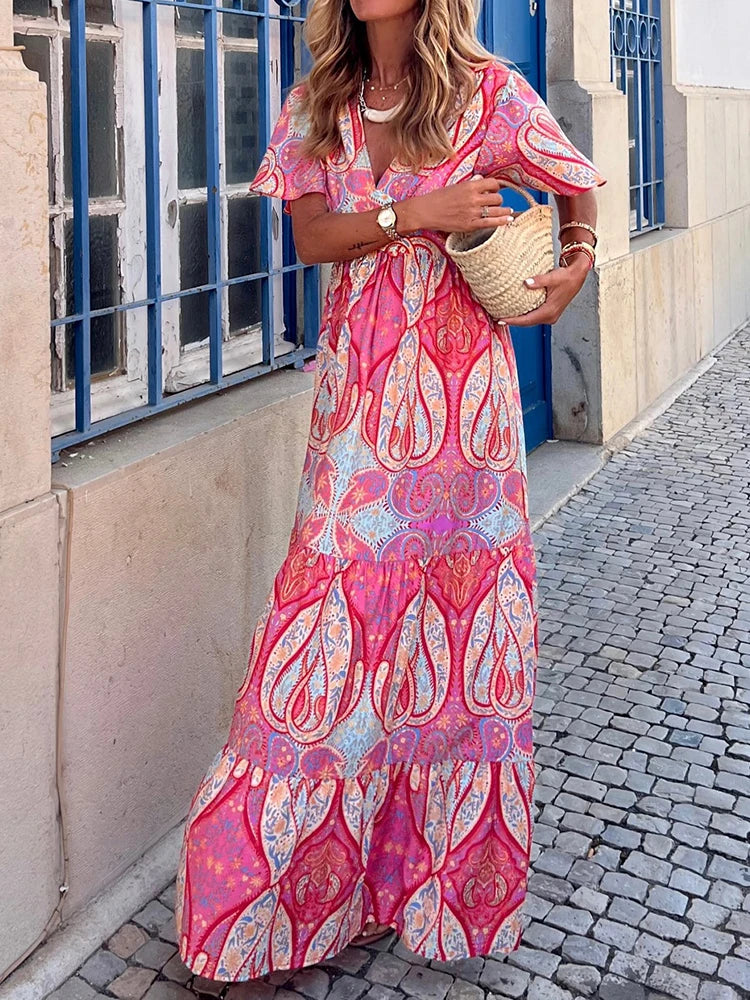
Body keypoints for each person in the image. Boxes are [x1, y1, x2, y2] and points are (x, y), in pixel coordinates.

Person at [175, 0, 605, 982]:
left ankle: (425, 891)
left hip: (471, 424)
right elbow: (316, 240)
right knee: (319, 639)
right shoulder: (316, 104)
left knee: (453, 657)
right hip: (361, 420)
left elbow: (579, 187)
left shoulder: (491, 93)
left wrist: (576, 263)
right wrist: (419, 211)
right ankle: (270, 905)